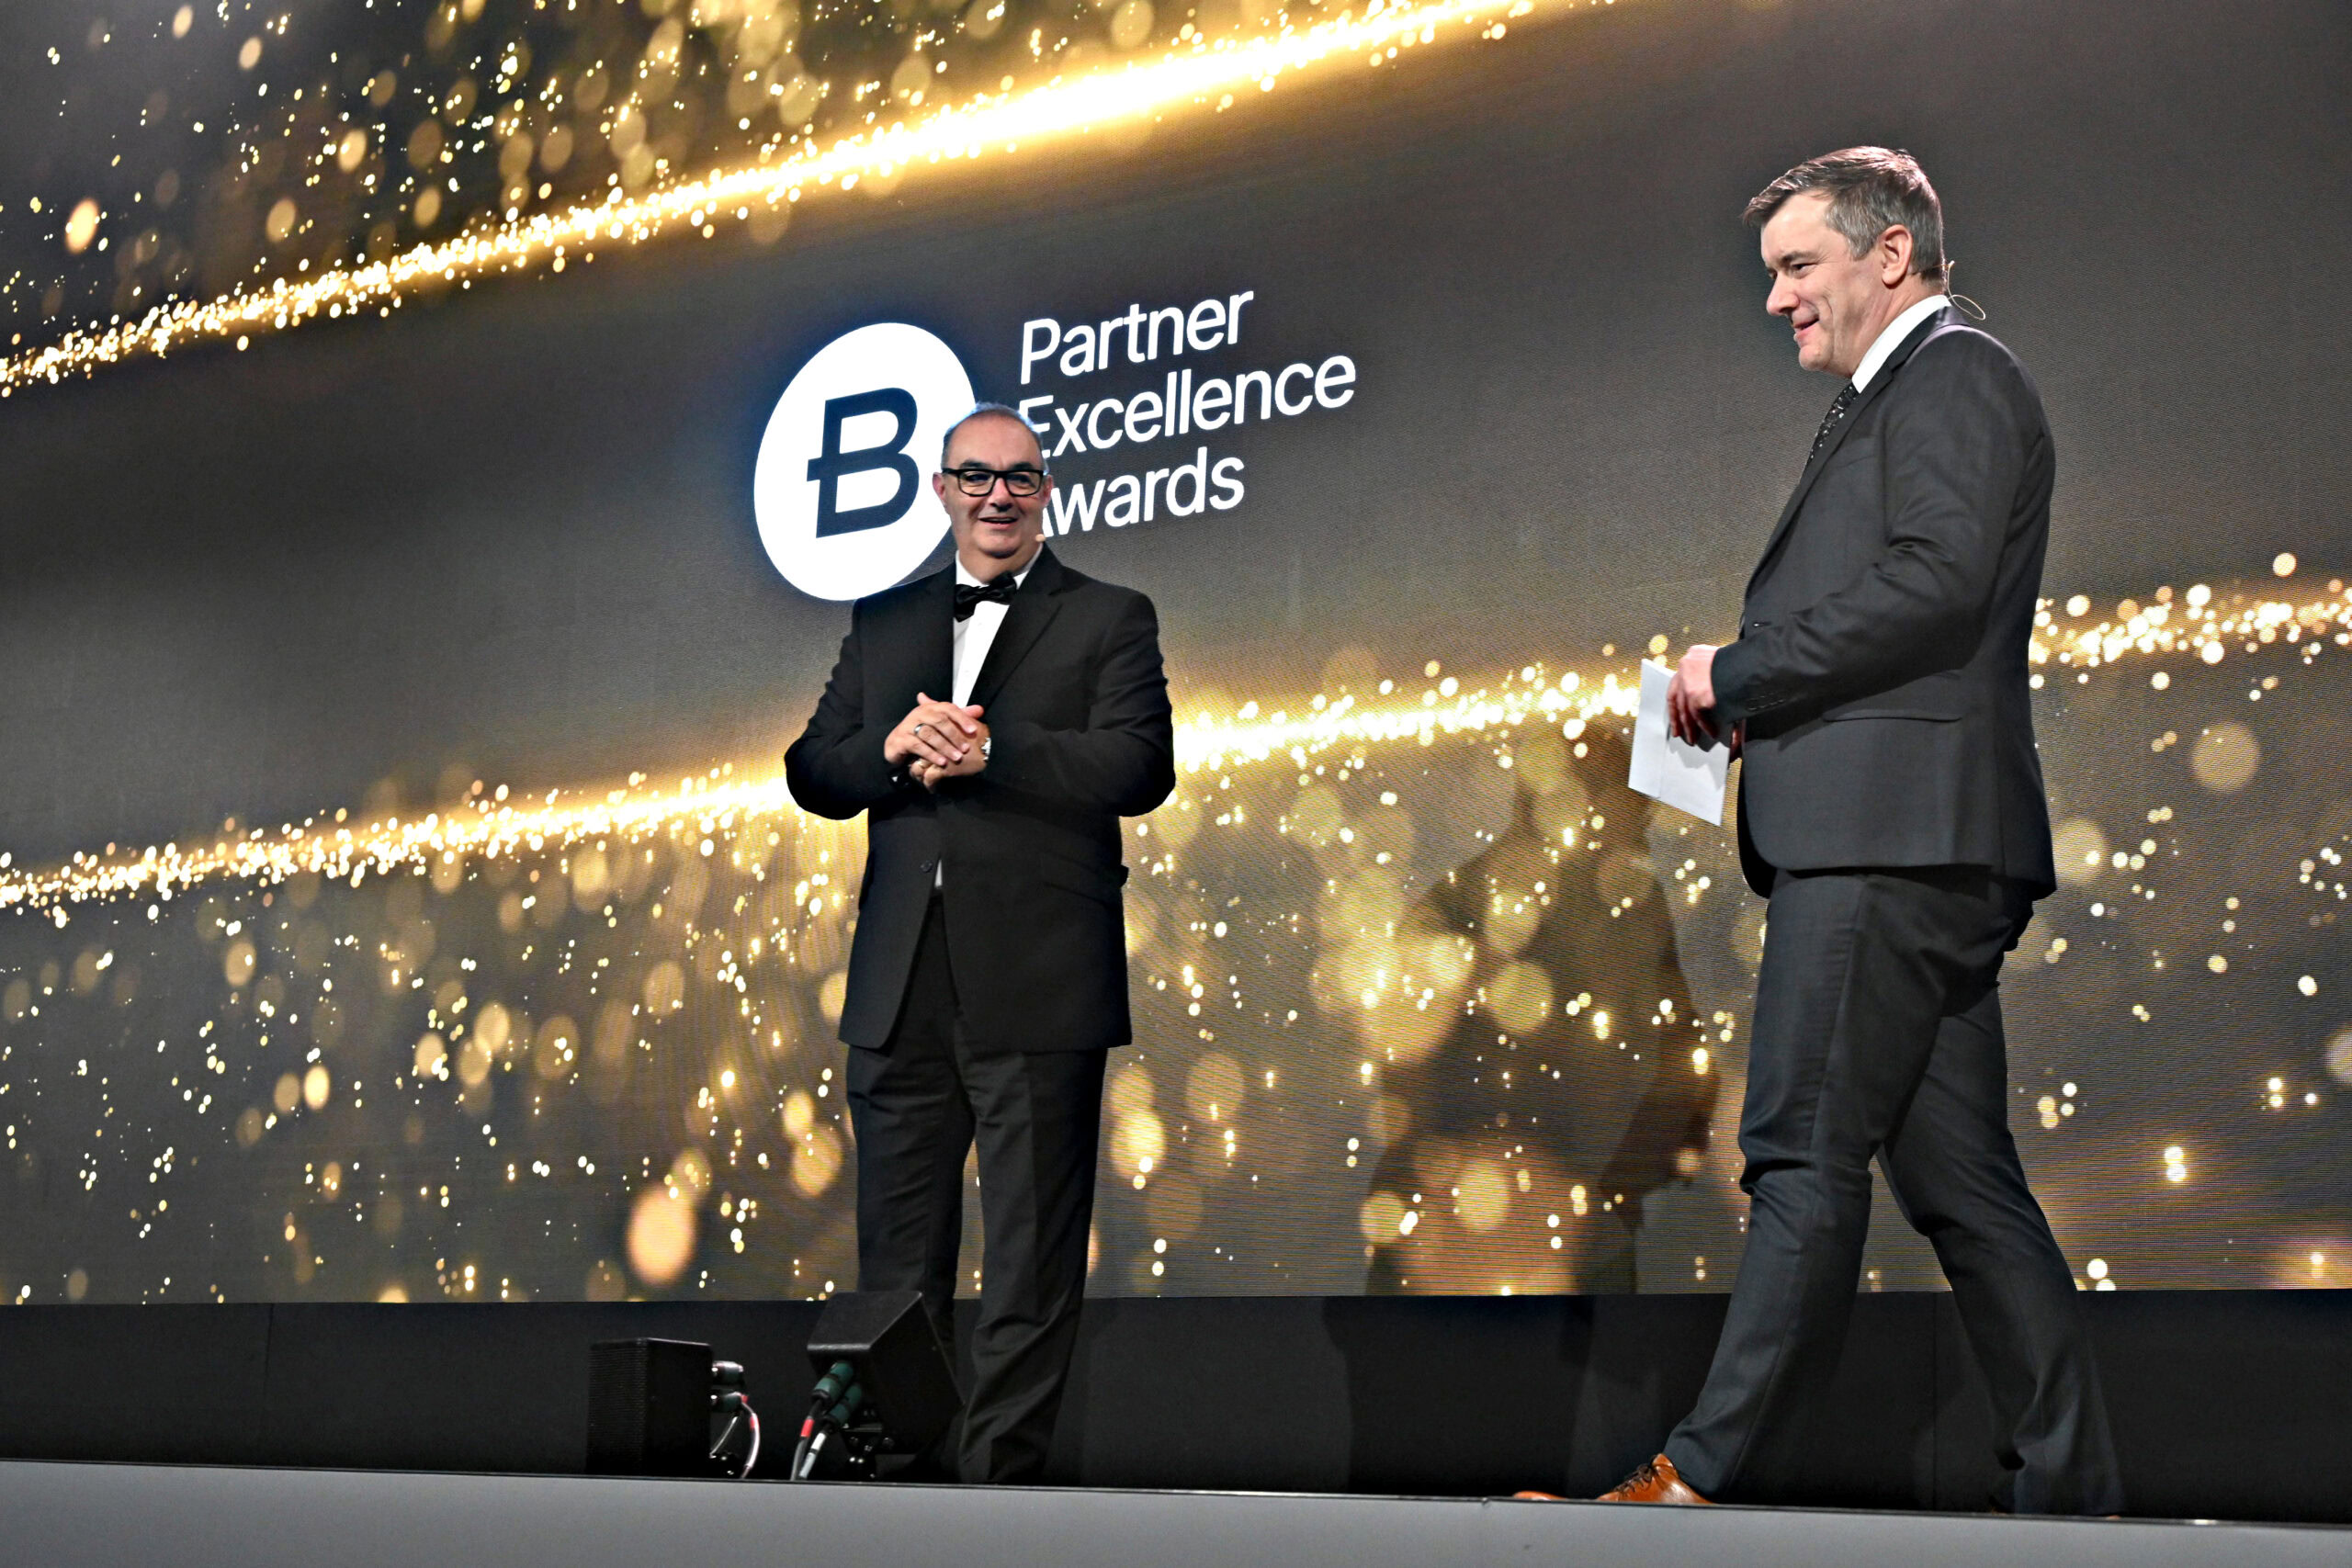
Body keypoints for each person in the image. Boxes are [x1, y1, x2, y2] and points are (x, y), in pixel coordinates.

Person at [1563, 148, 2122, 1513]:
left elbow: (1935, 585)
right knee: (1963, 1185)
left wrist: (1741, 673)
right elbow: (1913, 609)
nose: (1776, 299)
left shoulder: (1955, 375)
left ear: (1890, 253)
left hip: (1887, 844)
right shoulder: (1898, 393)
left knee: (1801, 1148)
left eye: (1797, 266)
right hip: (1909, 837)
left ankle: (1700, 1478)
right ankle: (2075, 1499)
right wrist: (1763, 710)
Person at [784, 401, 1174, 1483]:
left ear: (1044, 492)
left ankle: (997, 1496)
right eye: (976, 476)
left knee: (1028, 1260)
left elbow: (1139, 766)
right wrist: (890, 746)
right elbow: (812, 770)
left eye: (1019, 477)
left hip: (1040, 980)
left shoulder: (1109, 615)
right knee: (895, 1264)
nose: (997, 494)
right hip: (899, 982)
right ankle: (897, 1487)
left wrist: (997, 751)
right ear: (942, 489)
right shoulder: (883, 621)